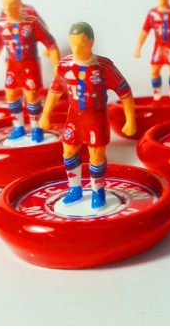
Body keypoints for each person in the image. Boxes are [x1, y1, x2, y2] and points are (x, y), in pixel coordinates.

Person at [39, 22, 136, 210]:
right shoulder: (65, 66)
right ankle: (75, 189)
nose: (76, 49)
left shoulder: (103, 67)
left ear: (91, 42)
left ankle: (98, 191)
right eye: (73, 44)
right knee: (68, 151)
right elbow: (54, 91)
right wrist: (45, 115)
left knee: (96, 155)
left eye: (81, 44)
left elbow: (125, 92)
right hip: (74, 117)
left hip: (96, 118)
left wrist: (130, 120)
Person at [0, 0, 60, 143]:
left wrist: (56, 66)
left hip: (30, 65)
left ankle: (36, 128)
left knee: (32, 96)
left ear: (20, 4)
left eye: (13, 4)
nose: (9, 8)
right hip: (12, 67)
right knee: (11, 94)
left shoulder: (31, 23)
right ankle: (18, 127)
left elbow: (51, 44)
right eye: (6, 5)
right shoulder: (1, 25)